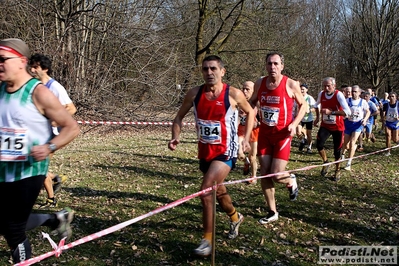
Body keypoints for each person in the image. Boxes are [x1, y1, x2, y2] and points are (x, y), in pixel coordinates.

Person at [0, 38, 79, 263]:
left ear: (21, 61)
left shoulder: (39, 93)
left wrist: (50, 146)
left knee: (13, 229)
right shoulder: (1, 90)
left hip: (29, 170)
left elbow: (71, 128)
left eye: (3, 59)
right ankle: (55, 219)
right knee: (6, 222)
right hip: (3, 167)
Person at [168, 55, 255, 256]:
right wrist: (175, 136)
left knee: (206, 190)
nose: (209, 73)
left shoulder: (233, 94)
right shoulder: (194, 94)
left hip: (226, 152)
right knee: (219, 192)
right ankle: (235, 217)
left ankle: (207, 240)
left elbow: (250, 113)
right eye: (205, 69)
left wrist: (245, 138)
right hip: (205, 152)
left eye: (213, 69)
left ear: (222, 71)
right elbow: (178, 117)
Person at [249, 52, 306, 224]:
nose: (272, 67)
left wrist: (295, 123)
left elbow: (303, 105)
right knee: (265, 174)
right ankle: (272, 211)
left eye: (276, 63)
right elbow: (252, 101)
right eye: (269, 64)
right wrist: (253, 115)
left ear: (282, 65)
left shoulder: (290, 84)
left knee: (277, 173)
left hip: (283, 134)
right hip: (265, 134)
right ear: (265, 66)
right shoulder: (260, 83)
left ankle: (290, 179)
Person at [29, 53, 77, 208]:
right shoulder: (36, 87)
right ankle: (55, 178)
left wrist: (56, 120)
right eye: (32, 66)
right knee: (34, 165)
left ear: (45, 69)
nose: (33, 70)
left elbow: (71, 108)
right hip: (38, 134)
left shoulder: (55, 87)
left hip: (51, 136)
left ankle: (51, 199)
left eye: (36, 67)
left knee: (38, 167)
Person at [314, 77, 351, 181]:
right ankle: (326, 162)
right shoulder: (321, 94)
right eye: (324, 86)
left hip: (337, 127)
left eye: (328, 86)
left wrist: (332, 112)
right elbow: (316, 105)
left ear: (334, 86)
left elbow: (348, 112)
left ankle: (337, 170)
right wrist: (317, 118)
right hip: (325, 125)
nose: (326, 88)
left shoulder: (338, 95)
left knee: (337, 150)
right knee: (319, 144)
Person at [341, 85, 370, 171]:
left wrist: (365, 119)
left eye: (355, 92)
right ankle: (343, 154)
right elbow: (343, 110)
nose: (353, 93)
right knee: (345, 144)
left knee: (352, 142)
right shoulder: (347, 100)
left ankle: (348, 163)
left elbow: (368, 112)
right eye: (353, 91)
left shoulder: (363, 102)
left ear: (359, 93)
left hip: (358, 124)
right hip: (348, 123)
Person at [237, 81, 259, 183]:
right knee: (239, 150)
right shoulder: (239, 101)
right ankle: (244, 158)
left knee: (252, 156)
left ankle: (253, 177)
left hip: (254, 133)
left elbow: (265, 121)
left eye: (247, 89)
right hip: (241, 131)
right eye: (243, 89)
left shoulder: (258, 104)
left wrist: (257, 124)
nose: (244, 91)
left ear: (253, 91)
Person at [297, 84, 316, 153]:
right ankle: (303, 140)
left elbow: (315, 107)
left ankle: (309, 147)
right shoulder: (298, 97)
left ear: (306, 90)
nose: (301, 90)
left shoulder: (309, 98)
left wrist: (310, 110)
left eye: (303, 89)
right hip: (300, 118)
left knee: (309, 134)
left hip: (308, 119)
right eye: (301, 89)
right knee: (298, 132)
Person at [381, 91, 399, 156]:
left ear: (396, 98)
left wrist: (398, 118)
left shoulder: (398, 104)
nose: (391, 98)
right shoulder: (386, 104)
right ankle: (388, 151)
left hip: (395, 123)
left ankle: (397, 141)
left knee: (395, 139)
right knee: (388, 136)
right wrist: (383, 118)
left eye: (393, 96)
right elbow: (383, 112)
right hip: (388, 122)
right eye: (390, 96)